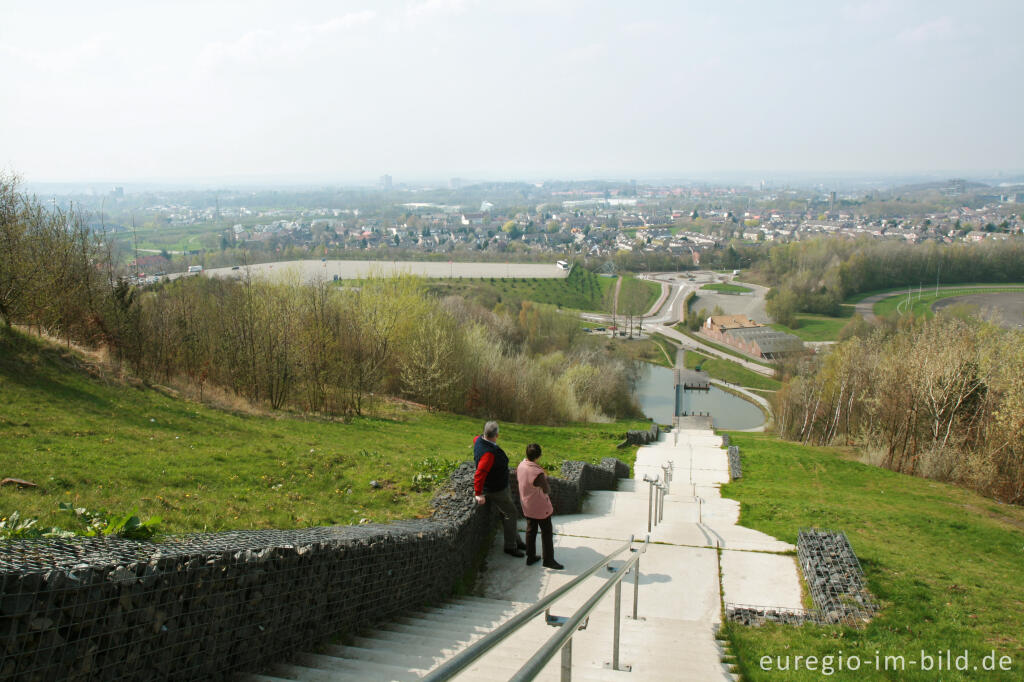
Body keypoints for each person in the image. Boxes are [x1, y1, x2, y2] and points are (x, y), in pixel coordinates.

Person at [473, 421, 527, 557]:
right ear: (497, 435)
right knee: (511, 513)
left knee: (507, 512)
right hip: (496, 489)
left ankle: (516, 540)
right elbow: (480, 473)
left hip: (499, 485)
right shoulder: (488, 454)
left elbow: (475, 439)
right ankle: (510, 546)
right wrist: (478, 493)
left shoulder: (479, 440)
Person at [516, 443, 563, 570]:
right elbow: (547, 489)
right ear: (538, 456)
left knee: (531, 531)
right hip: (540, 507)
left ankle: (530, 557)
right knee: (546, 533)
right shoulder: (537, 472)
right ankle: (548, 560)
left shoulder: (521, 466)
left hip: (527, 504)